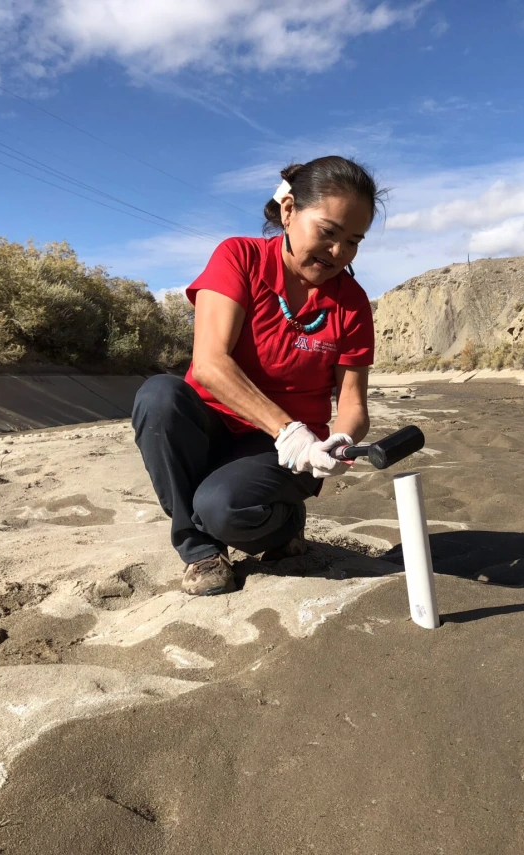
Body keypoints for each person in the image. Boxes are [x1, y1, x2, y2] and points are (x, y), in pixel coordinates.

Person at [132, 156, 383, 596]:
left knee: (222, 508)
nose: (338, 252)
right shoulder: (239, 257)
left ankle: (284, 522)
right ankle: (200, 552)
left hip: (292, 453)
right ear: (289, 212)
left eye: (353, 241)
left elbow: (353, 403)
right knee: (159, 397)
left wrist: (336, 444)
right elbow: (209, 364)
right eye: (328, 232)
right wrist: (288, 429)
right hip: (225, 428)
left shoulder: (352, 303)